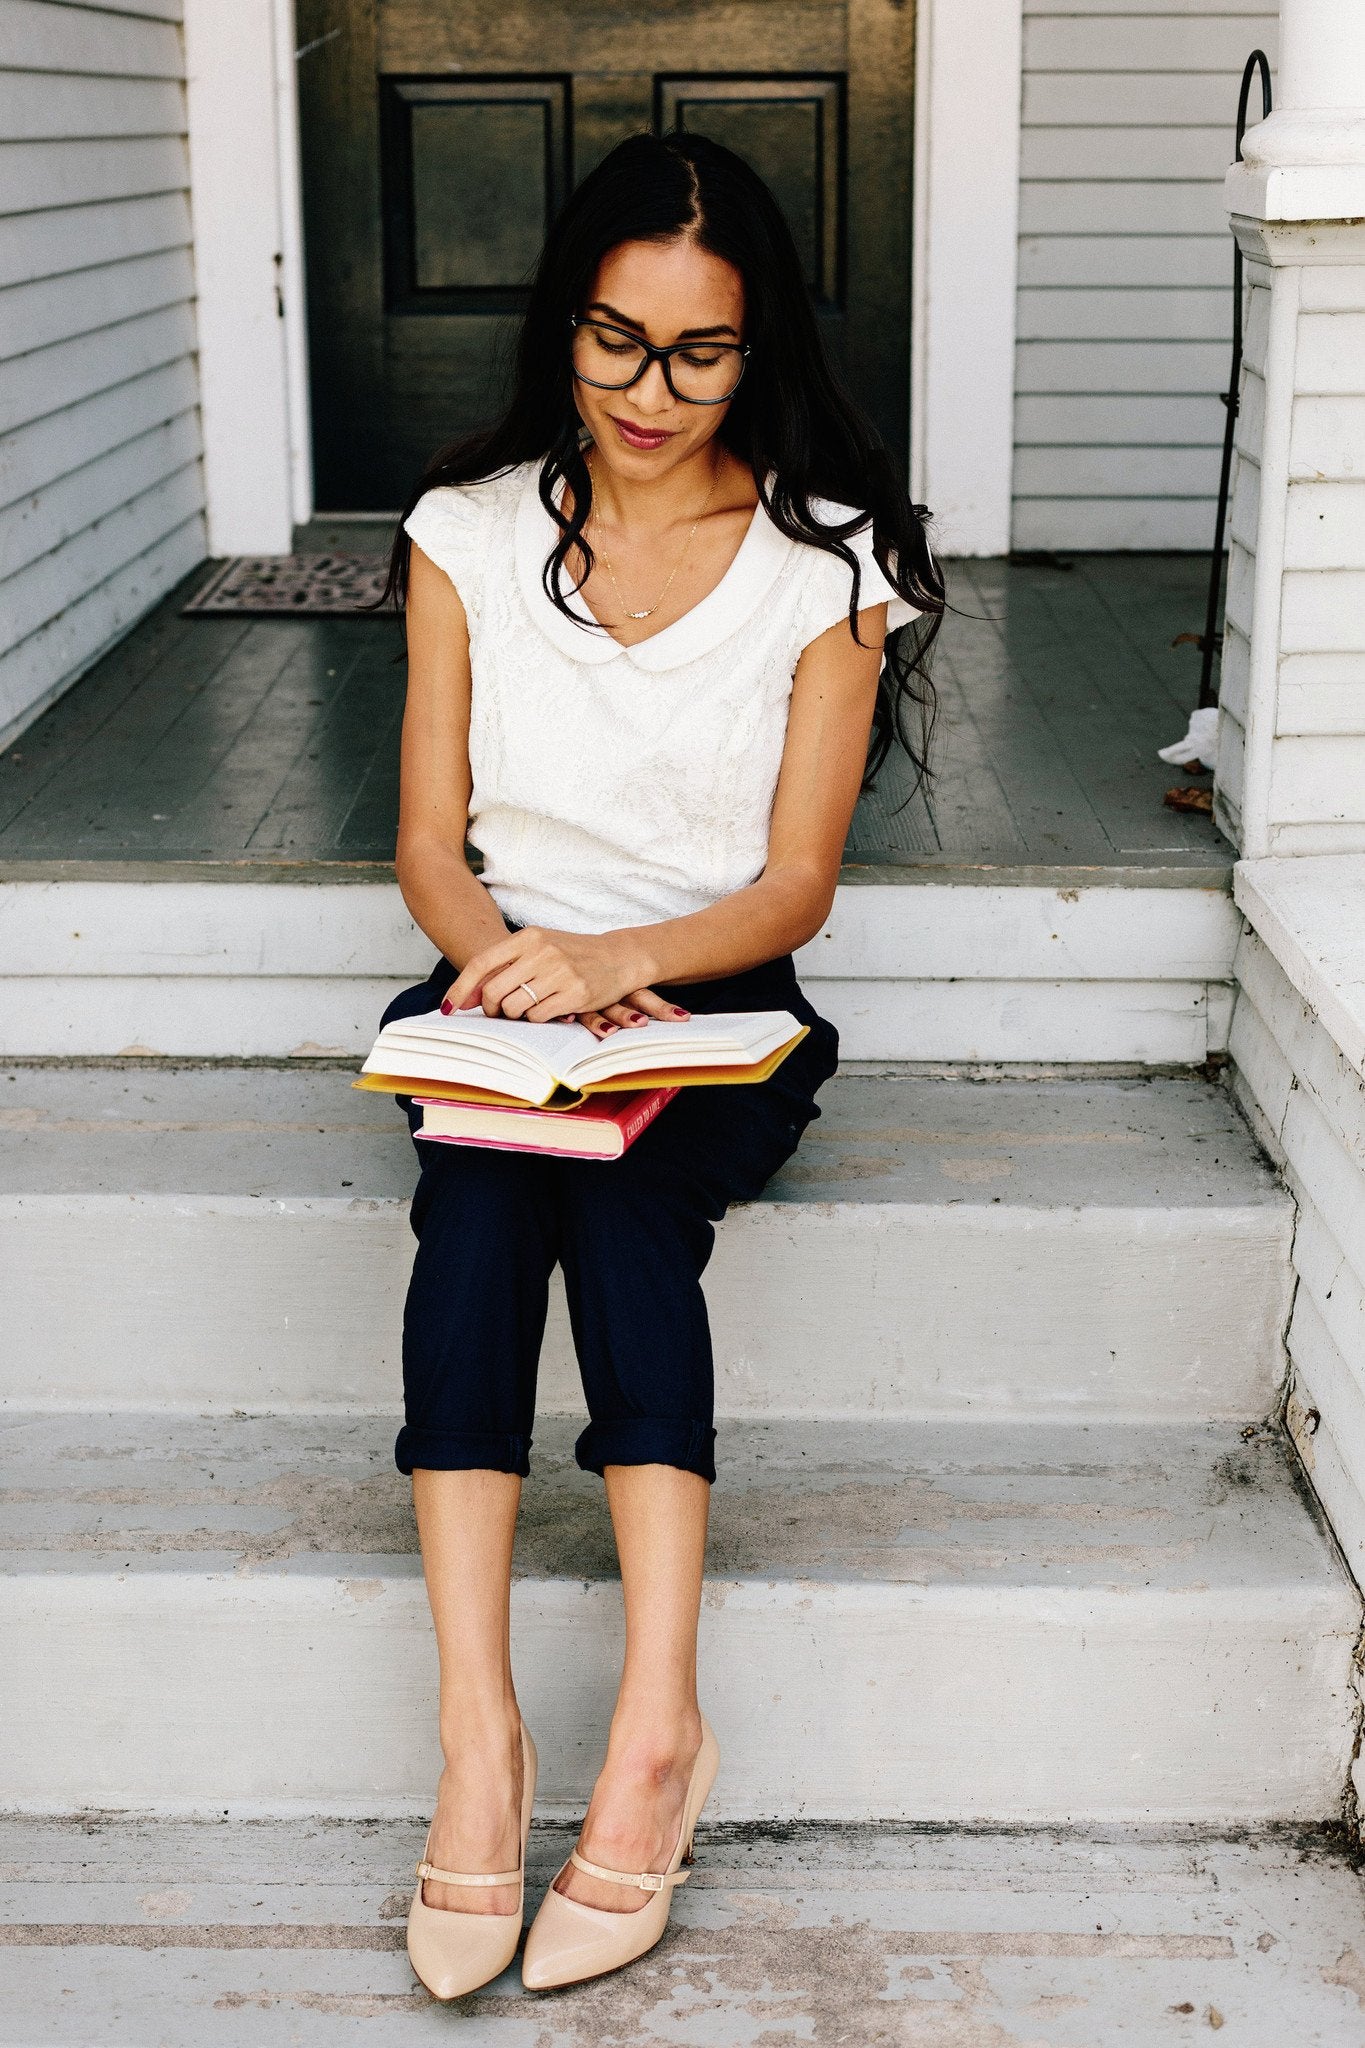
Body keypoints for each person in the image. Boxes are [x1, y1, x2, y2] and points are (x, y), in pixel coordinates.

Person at [375, 129, 943, 2000]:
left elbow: (795, 884)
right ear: (566, 326)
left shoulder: (825, 565)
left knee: (621, 1213)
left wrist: (625, 967)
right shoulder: (466, 533)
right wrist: (514, 977)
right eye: (614, 342)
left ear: (757, 350)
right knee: (481, 1208)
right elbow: (430, 849)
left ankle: (653, 1734)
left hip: (716, 1008)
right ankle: (478, 1741)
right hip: (501, 987)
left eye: (699, 353)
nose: (648, 391)